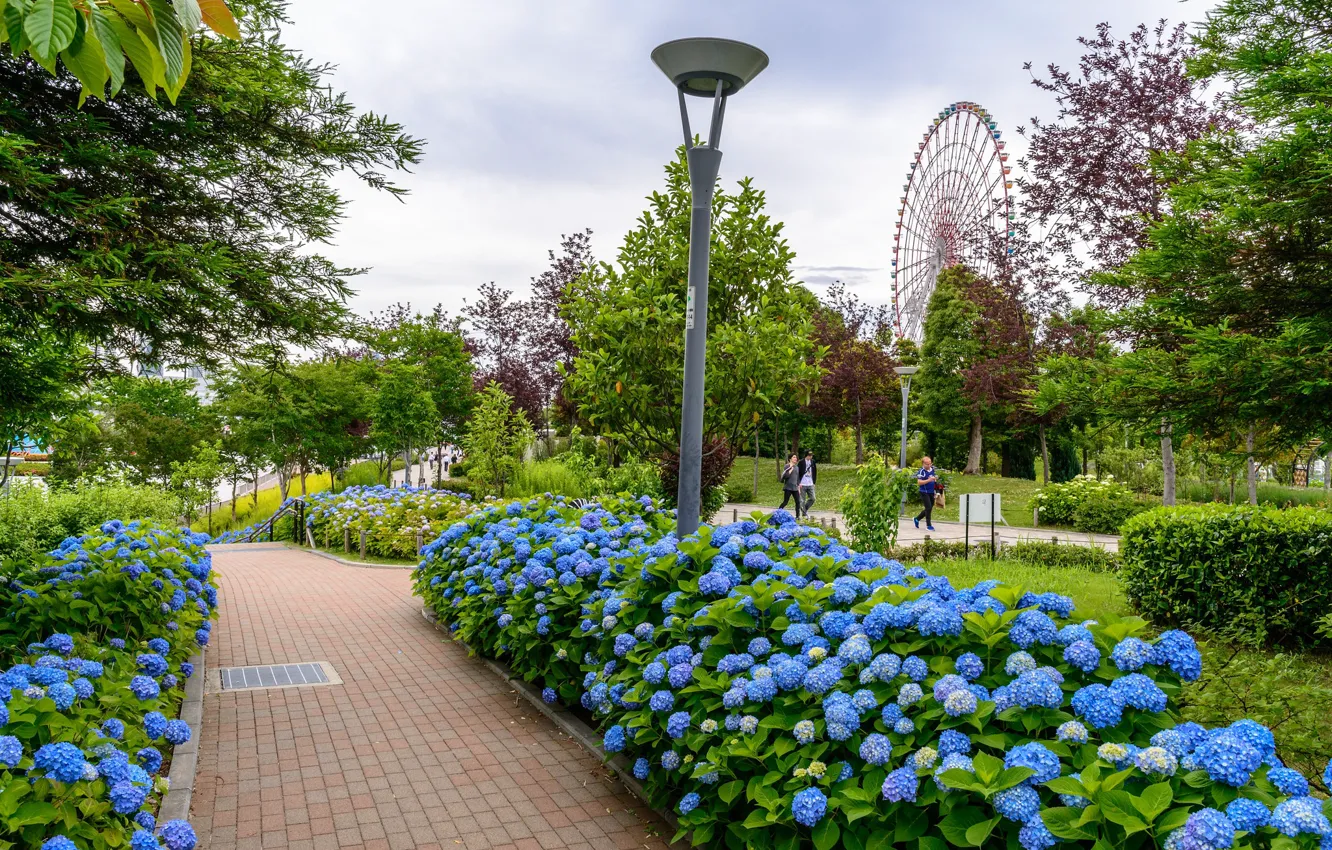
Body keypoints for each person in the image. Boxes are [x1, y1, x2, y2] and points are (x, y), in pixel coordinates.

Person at [914, 456, 938, 531]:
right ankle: (928, 525)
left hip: (931, 492)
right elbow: (919, 482)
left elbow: (933, 479)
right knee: (928, 508)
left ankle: (917, 519)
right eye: (926, 464)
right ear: (923, 464)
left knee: (930, 508)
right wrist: (929, 480)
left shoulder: (932, 470)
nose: (928, 465)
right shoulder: (921, 471)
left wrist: (935, 480)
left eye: (929, 464)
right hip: (924, 492)